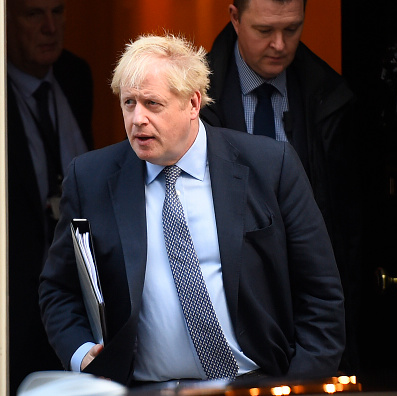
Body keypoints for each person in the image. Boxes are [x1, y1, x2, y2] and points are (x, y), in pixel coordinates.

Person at [39, 34, 344, 386]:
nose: (137, 118)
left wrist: (299, 385)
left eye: (153, 104)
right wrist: (81, 353)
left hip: (253, 383)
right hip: (143, 388)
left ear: (193, 103)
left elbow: (320, 294)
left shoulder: (270, 166)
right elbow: (58, 289)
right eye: (128, 103)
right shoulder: (90, 178)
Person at [199, 0, 361, 373]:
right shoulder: (195, 99)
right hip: (225, 309)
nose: (279, 44)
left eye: (291, 29)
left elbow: (346, 226)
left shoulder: (330, 95)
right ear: (235, 18)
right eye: (264, 31)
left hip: (308, 311)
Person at [6, 0, 94, 393]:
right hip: (15, 298)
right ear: (3, 20)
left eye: (57, 12)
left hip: (77, 292)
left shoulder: (76, 76)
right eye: (32, 14)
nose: (49, 27)